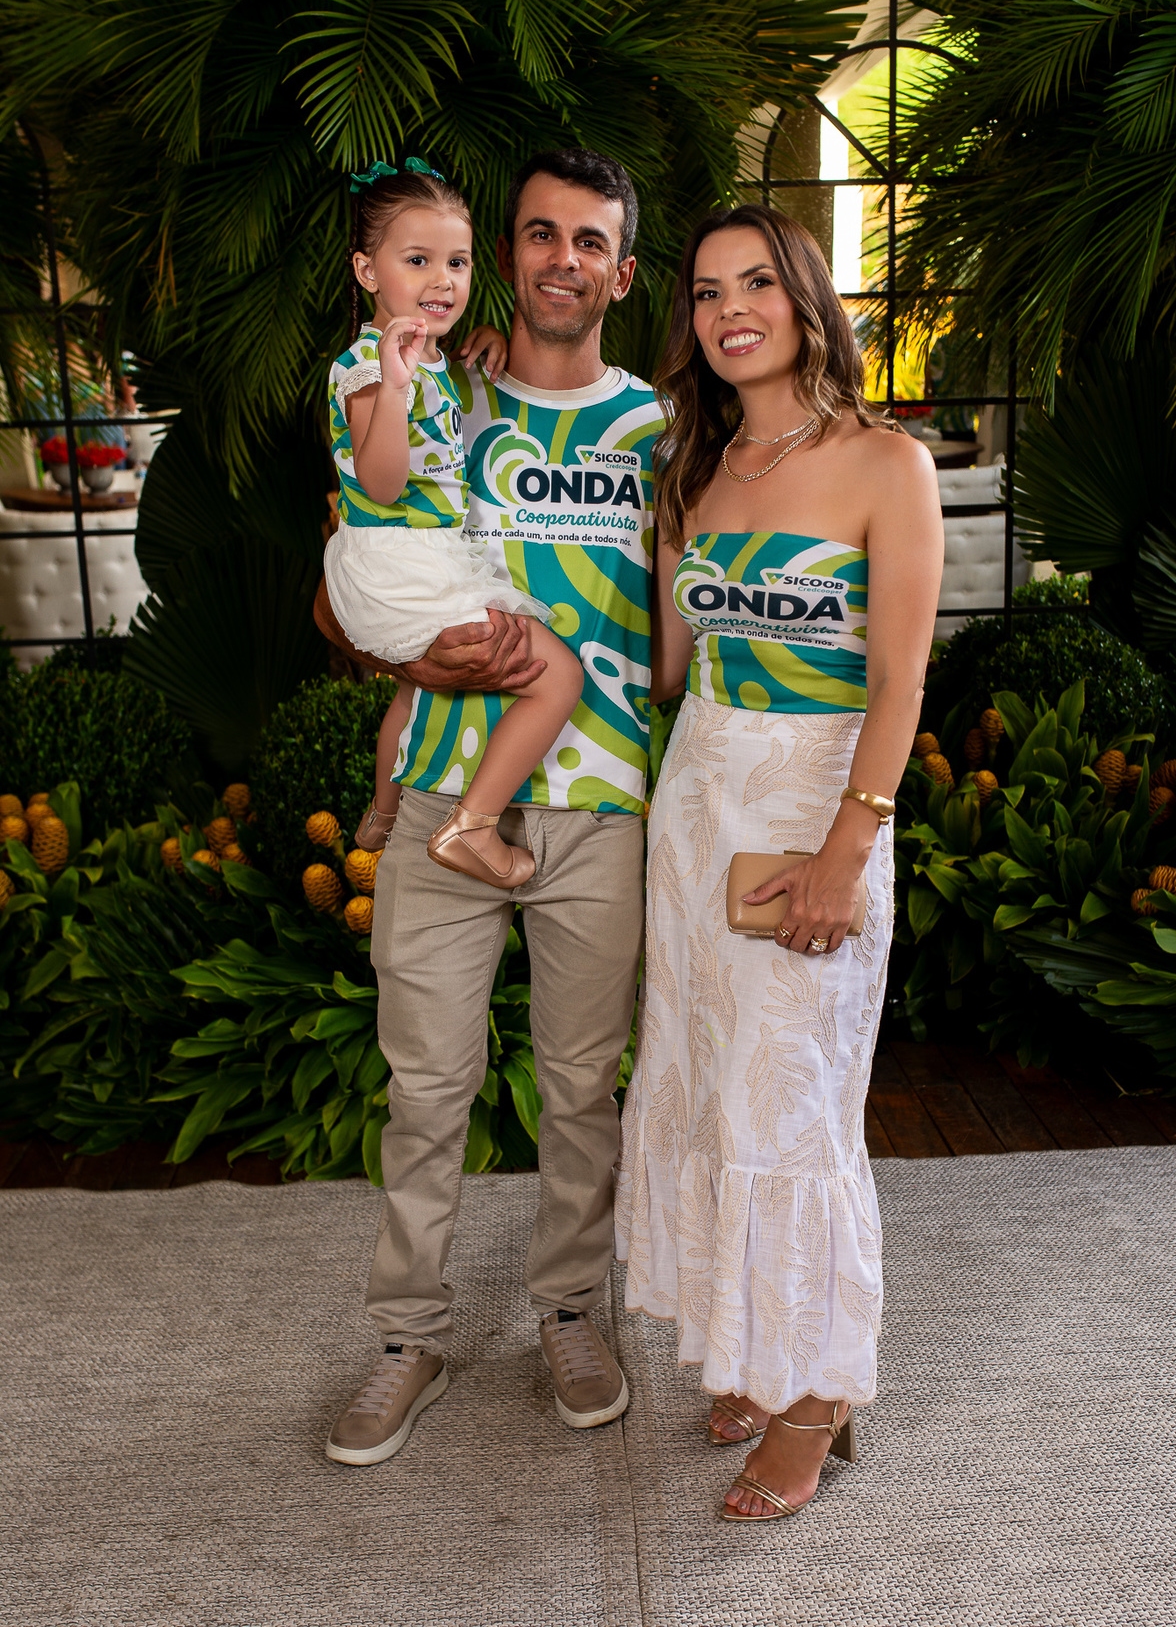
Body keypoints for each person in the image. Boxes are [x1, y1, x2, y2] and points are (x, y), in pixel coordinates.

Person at [317, 148, 663, 1467]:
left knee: (581, 1086)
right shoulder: (428, 389)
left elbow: (695, 617)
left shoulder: (661, 430)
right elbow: (338, 583)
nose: (563, 258)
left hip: (603, 801)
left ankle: (570, 1310)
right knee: (426, 1086)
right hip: (443, 794)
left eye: (591, 241)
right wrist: (410, 662)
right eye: (541, 234)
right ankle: (407, 1337)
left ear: (620, 274)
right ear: (507, 256)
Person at [615, 203, 943, 1521]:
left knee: (793, 1099)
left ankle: (818, 1393)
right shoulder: (692, 472)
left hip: (817, 801)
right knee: (710, 1082)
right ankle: (756, 1345)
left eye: (756, 281)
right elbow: (669, 666)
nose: (729, 308)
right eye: (705, 291)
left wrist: (847, 846)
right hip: (701, 802)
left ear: (807, 299)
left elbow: (901, 676)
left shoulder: (884, 462)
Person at [325, 156, 583, 887]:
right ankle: (472, 827)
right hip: (400, 557)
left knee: (417, 691)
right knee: (557, 678)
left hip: (417, 554)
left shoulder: (428, 359)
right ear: (367, 271)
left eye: (457, 262)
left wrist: (479, 347)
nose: (442, 280)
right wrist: (396, 386)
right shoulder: (371, 367)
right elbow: (381, 483)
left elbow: (446, 405)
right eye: (417, 261)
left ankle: (382, 814)